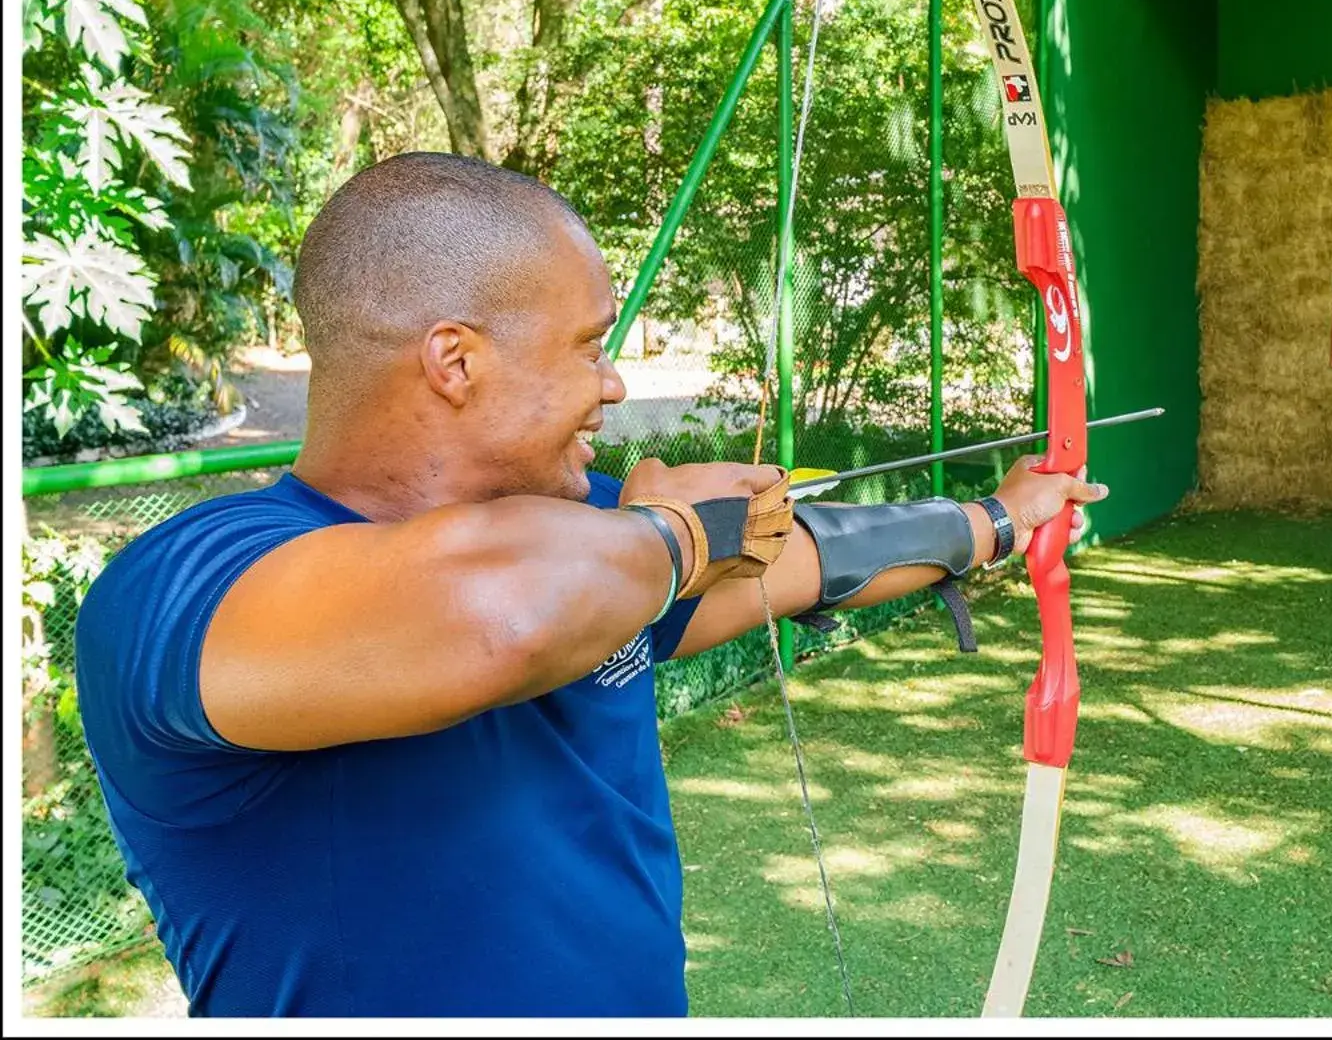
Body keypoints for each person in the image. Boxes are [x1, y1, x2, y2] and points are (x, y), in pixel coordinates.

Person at [73, 153, 1106, 1018]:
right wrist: (676, 540)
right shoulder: (186, 586)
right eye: (586, 345)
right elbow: (501, 612)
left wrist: (1000, 520)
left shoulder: (601, 544)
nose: (612, 383)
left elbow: (805, 557)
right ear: (454, 361)